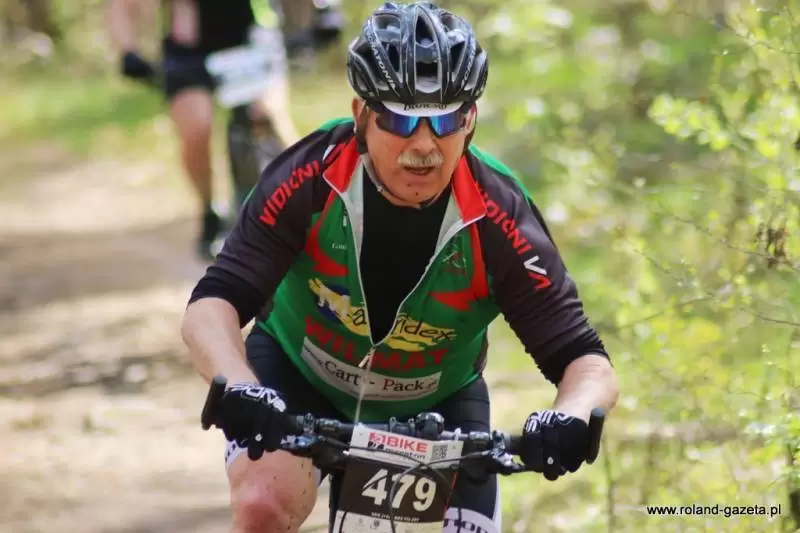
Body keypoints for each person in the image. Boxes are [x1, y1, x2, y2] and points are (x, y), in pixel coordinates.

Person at [181, 2, 620, 532]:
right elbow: (213, 304)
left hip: (436, 406)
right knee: (263, 504)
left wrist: (570, 415)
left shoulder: (499, 217)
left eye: (445, 119)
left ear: (470, 121)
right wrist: (238, 386)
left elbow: (584, 360)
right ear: (361, 115)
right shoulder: (310, 177)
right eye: (401, 117)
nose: (424, 144)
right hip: (297, 377)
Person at [107, 0, 303, 260]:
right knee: (196, 128)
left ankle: (312, 203)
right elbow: (123, 5)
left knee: (268, 117)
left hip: (249, 38)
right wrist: (128, 50)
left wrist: (325, 10)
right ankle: (209, 211)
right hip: (188, 50)